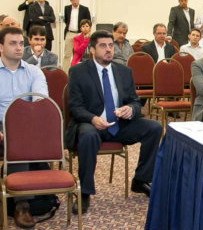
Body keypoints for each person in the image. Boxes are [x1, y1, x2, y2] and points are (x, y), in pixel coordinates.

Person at [66, 30, 162, 208]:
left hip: (119, 124)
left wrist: (130, 109)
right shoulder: (78, 71)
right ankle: (85, 191)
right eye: (103, 46)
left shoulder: (124, 71)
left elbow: (135, 101)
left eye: (110, 45)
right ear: (92, 49)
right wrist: (93, 118)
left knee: (154, 128)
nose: (109, 49)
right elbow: (75, 107)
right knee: (88, 135)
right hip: (91, 124)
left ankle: (141, 180)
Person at [0, 26, 49, 229]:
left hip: (29, 124)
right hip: (0, 123)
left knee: (21, 137)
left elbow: (40, 102)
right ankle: (22, 205)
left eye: (21, 43)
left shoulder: (34, 72)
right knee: (18, 142)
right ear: (0, 47)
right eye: (13, 43)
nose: (19, 47)